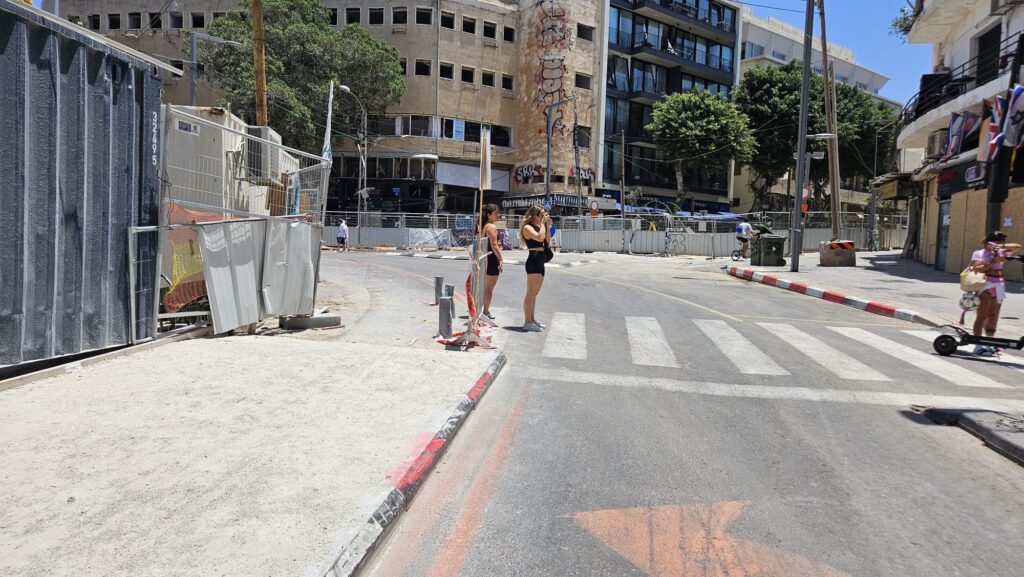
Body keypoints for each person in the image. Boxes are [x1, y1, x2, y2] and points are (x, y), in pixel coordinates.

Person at [970, 231, 1020, 355]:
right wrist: (993, 261)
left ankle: (989, 344)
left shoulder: (1002, 251)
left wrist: (1001, 248)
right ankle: (978, 345)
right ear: (988, 242)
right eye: (995, 242)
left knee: (993, 315)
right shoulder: (979, 253)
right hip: (986, 283)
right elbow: (978, 268)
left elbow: (1017, 246)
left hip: (999, 283)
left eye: (1000, 242)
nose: (997, 245)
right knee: (982, 315)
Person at [520, 204, 550, 332]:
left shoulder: (540, 226)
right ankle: (527, 321)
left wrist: (547, 226)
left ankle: (532, 319)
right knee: (530, 292)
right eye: (541, 214)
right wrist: (543, 225)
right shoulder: (527, 227)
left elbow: (547, 241)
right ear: (535, 216)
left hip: (541, 258)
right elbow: (539, 237)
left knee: (535, 293)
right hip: (533, 258)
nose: (543, 217)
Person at [480, 204, 503, 321]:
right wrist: (500, 259)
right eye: (495, 213)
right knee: (489, 288)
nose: (498, 215)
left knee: (484, 287)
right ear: (489, 215)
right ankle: (485, 311)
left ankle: (482, 309)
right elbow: (494, 245)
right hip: (491, 259)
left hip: (484, 259)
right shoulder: (491, 227)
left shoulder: (483, 226)